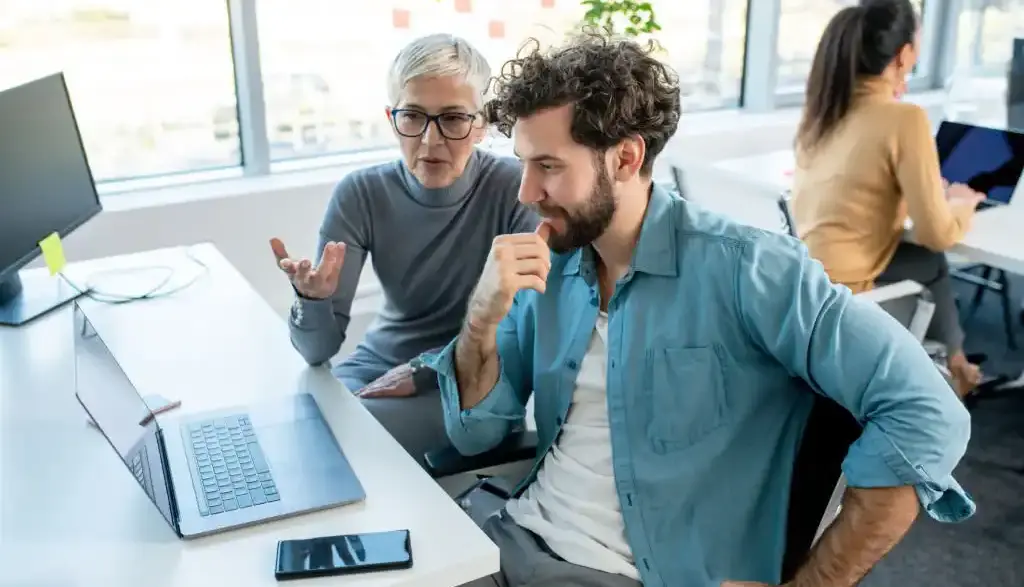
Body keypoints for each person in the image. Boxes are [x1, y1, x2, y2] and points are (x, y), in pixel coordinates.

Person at [420, 33, 975, 587]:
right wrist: (482, 318)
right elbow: (475, 437)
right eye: (523, 163)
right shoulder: (553, 263)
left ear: (626, 157)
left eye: (548, 166)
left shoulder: (748, 271)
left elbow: (929, 415)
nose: (526, 191)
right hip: (505, 540)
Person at [270, 34, 537, 467]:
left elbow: (522, 333)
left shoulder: (515, 189)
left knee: (342, 439)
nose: (430, 142)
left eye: (452, 119)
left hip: (471, 376)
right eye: (412, 116)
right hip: (381, 358)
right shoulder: (361, 193)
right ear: (391, 117)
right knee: (297, 420)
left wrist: (426, 369)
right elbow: (317, 351)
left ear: (483, 123)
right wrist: (312, 301)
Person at [788, 0, 987, 398]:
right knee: (933, 257)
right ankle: (955, 372)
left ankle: (957, 364)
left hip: (805, 279)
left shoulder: (823, 111)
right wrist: (962, 203)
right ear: (905, 54)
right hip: (849, 288)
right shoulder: (904, 119)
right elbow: (936, 232)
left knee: (924, 261)